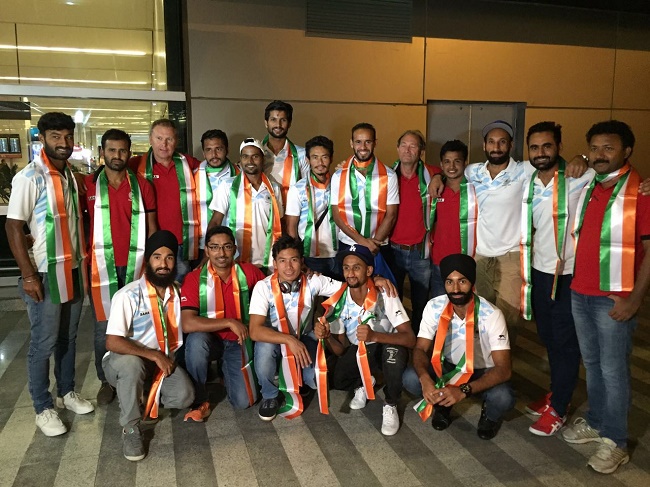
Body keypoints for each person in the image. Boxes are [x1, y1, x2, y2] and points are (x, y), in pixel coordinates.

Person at [561, 121, 650, 474]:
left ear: (627, 151)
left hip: (615, 297)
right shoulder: (591, 185)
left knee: (614, 370)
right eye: (594, 148)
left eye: (608, 148)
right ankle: (597, 423)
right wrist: (579, 158)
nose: (600, 154)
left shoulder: (640, 192)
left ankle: (616, 440)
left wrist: (635, 299)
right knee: (593, 364)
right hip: (581, 291)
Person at [6, 112, 94, 437]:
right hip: (44, 273)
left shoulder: (70, 174)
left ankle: (66, 392)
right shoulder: (30, 177)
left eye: (68, 137)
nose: (63, 143)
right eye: (56, 137)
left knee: (67, 338)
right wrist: (28, 275)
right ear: (42, 138)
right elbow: (13, 227)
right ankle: (42, 408)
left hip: (73, 268)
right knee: (43, 343)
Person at [248, 234, 395, 421]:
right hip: (274, 340)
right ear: (275, 263)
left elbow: (348, 287)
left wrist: (374, 279)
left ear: (302, 261)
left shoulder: (313, 280)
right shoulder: (263, 287)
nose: (288, 266)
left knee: (317, 380)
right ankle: (270, 395)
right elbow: (255, 331)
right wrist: (289, 340)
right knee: (264, 349)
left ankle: (301, 381)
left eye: (294, 260)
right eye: (282, 261)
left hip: (304, 337)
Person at [519, 122, 594, 436]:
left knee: (565, 343)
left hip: (568, 275)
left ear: (559, 147)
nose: (540, 153)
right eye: (534, 147)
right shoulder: (528, 177)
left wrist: (584, 158)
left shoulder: (581, 176)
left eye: (547, 146)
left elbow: (613, 175)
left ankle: (560, 408)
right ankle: (556, 392)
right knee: (548, 337)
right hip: (538, 271)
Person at [103, 230, 194, 461]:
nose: (163, 264)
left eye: (169, 257)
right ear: (147, 261)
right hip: (123, 361)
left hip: (160, 363)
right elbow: (112, 341)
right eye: (157, 257)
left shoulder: (178, 292)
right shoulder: (128, 295)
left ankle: (139, 394)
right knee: (132, 366)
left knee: (185, 396)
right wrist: (152, 355)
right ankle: (131, 427)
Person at [403, 253, 515, 440]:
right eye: (449, 282)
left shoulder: (491, 314)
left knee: (503, 397)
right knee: (411, 378)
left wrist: (463, 390)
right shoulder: (434, 306)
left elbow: (504, 369)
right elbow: (420, 348)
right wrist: (425, 379)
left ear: (472, 282)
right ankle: (443, 405)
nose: (455, 289)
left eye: (462, 281)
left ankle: (490, 416)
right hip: (447, 367)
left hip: (482, 371)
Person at [84, 129, 158, 406]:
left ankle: (136, 376)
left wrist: (152, 265)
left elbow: (152, 228)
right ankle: (106, 380)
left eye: (122, 150)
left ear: (129, 152)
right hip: (100, 269)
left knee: (137, 325)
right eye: (112, 150)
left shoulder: (142, 186)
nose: (117, 155)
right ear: (102, 152)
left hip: (136, 266)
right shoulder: (88, 185)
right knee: (103, 328)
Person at [314, 244, 415, 436]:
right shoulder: (339, 299)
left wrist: (374, 336)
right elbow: (341, 350)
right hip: (361, 351)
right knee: (335, 379)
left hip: (387, 345)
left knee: (392, 356)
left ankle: (391, 403)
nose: (350, 273)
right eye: (346, 268)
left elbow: (410, 339)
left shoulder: (385, 292)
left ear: (369, 271)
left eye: (356, 267)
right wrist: (326, 337)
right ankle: (364, 381)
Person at [180, 226, 266, 420]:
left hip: (238, 342)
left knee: (244, 401)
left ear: (234, 249)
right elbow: (187, 323)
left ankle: (224, 372)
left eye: (227, 247)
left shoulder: (249, 272)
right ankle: (200, 399)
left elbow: (274, 290)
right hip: (209, 341)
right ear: (206, 250)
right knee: (195, 341)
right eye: (215, 247)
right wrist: (229, 322)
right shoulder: (194, 279)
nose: (221, 253)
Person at [130, 118, 201, 282]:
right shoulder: (136, 165)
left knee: (180, 287)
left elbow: (216, 169)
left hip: (181, 242)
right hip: (150, 241)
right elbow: (111, 172)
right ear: (150, 139)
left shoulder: (187, 163)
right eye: (159, 138)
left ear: (176, 141)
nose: (164, 144)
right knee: (154, 288)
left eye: (169, 139)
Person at [386, 130, 440, 334]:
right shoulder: (387, 176)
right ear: (397, 148)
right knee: (393, 302)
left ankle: (419, 340)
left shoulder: (431, 174)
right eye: (404, 145)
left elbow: (451, 172)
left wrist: (439, 176)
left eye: (413, 146)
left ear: (421, 151)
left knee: (421, 303)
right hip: (393, 251)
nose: (407, 150)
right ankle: (397, 341)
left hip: (420, 253)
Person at [207, 138, 283, 272]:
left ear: (263, 159)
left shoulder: (273, 188)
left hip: (268, 260)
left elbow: (280, 223)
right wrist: (208, 251)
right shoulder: (228, 186)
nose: (250, 161)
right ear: (240, 160)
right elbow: (215, 221)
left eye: (255, 156)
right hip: (236, 260)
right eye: (245, 156)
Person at [330, 123, 399, 266]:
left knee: (379, 280)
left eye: (368, 142)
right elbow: (337, 215)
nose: (363, 147)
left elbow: (391, 215)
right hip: (348, 243)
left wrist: (374, 244)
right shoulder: (338, 176)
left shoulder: (389, 175)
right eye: (358, 142)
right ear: (351, 143)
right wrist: (363, 242)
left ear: (375, 143)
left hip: (378, 245)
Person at [285, 135, 339, 279]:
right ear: (308, 160)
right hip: (310, 256)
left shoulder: (340, 184)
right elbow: (291, 227)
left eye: (324, 157)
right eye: (315, 157)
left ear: (331, 158)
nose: (320, 163)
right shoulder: (297, 189)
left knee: (338, 293)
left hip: (339, 253)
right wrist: (298, 257)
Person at [429, 140, 476, 298]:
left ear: (465, 163)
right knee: (439, 305)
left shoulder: (474, 189)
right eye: (447, 162)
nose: (452, 167)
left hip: (467, 259)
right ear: (441, 164)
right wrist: (437, 176)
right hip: (440, 260)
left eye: (457, 161)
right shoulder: (436, 189)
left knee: (466, 305)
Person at [195, 129, 239, 259]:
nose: (214, 154)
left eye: (218, 149)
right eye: (208, 150)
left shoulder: (240, 176)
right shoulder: (191, 177)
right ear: (203, 152)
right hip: (201, 245)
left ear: (227, 150)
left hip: (232, 244)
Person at [261, 100, 309, 206]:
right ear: (266, 123)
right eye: (273, 120)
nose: (278, 125)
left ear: (289, 123)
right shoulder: (256, 154)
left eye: (283, 120)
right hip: (263, 211)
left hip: (291, 211)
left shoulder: (301, 154)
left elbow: (308, 187)